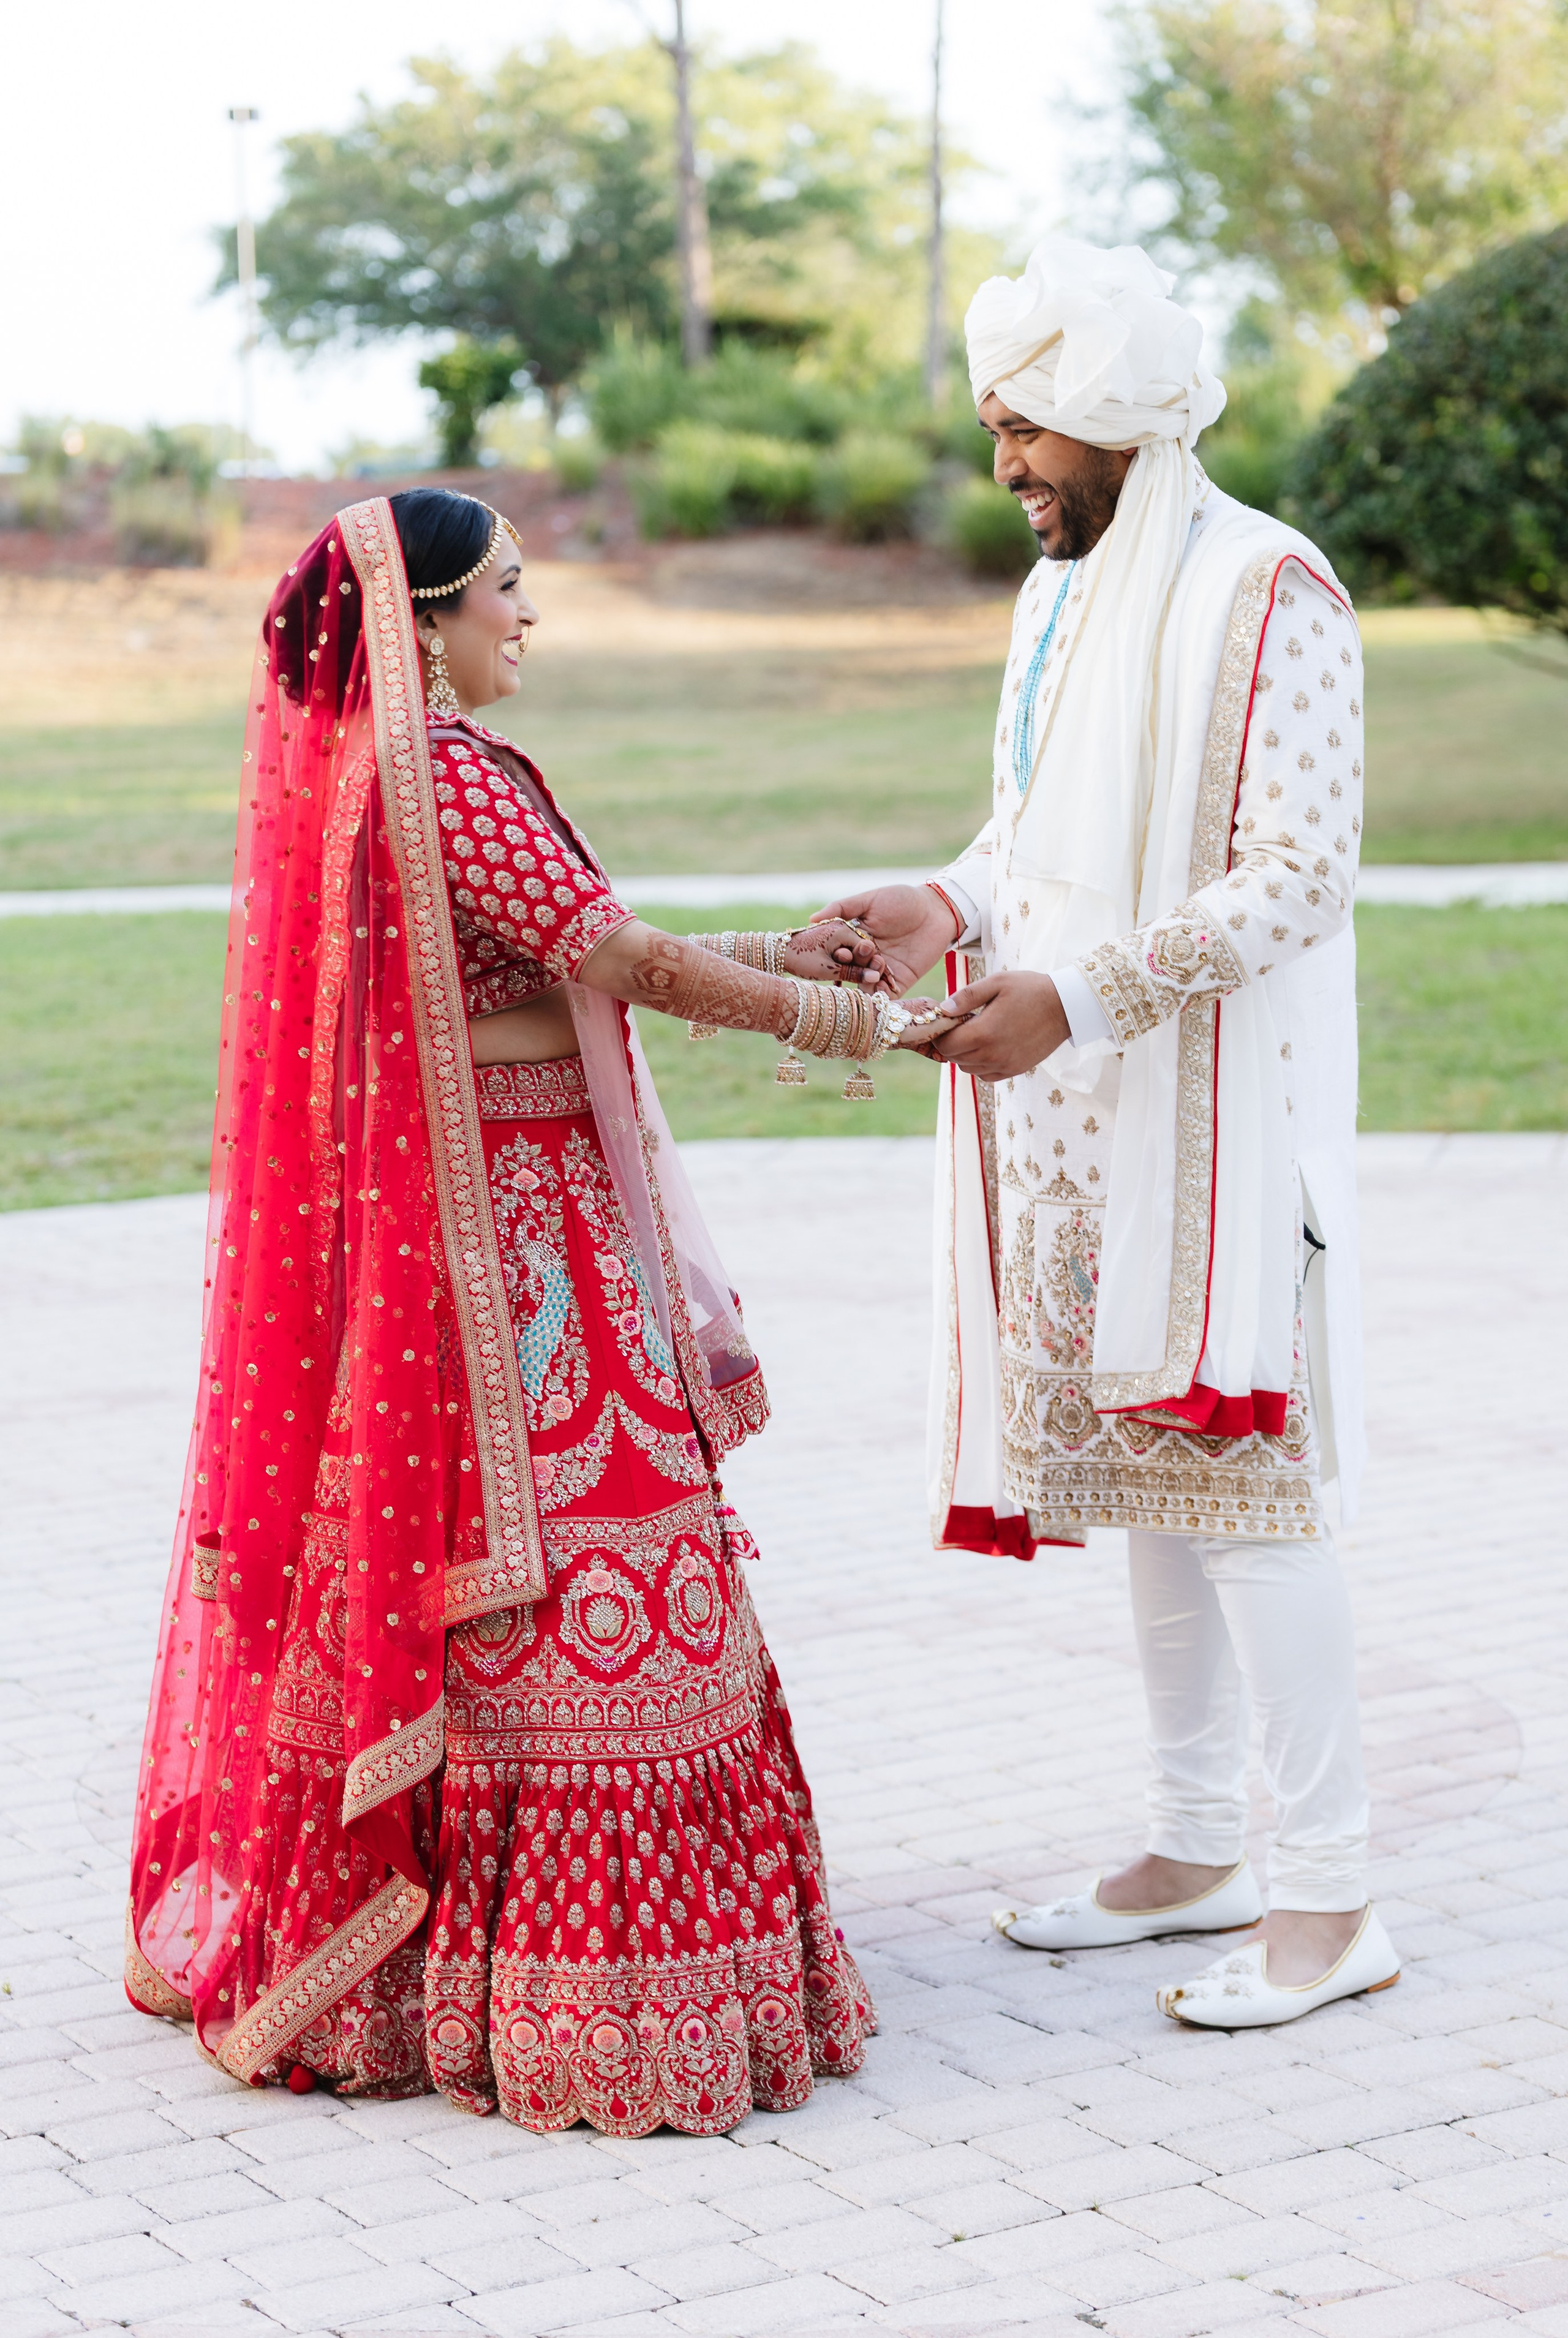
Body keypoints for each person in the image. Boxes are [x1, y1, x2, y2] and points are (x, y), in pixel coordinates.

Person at [126, 487, 937, 2131]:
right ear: (424, 618)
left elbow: (573, 953)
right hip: (523, 1249)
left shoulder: (394, 771)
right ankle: (599, 1997)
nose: (530, 616)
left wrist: (787, 953)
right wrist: (851, 1027)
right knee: (592, 1575)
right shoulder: (444, 774)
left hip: (479, 1232)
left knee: (480, 1572)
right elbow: (622, 963)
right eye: (509, 587)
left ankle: (426, 1959)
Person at [818, 238, 1400, 2027]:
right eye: (997, 425)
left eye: (1027, 427)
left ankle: (1331, 1901)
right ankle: (1197, 1847)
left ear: (1116, 417)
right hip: (1073, 1131)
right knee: (1153, 1492)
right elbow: (1030, 831)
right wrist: (941, 901)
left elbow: (1300, 874)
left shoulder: (1270, 588)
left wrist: (1080, 995)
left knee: (1249, 1502)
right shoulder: (1058, 595)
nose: (1004, 461)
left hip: (1213, 1132)